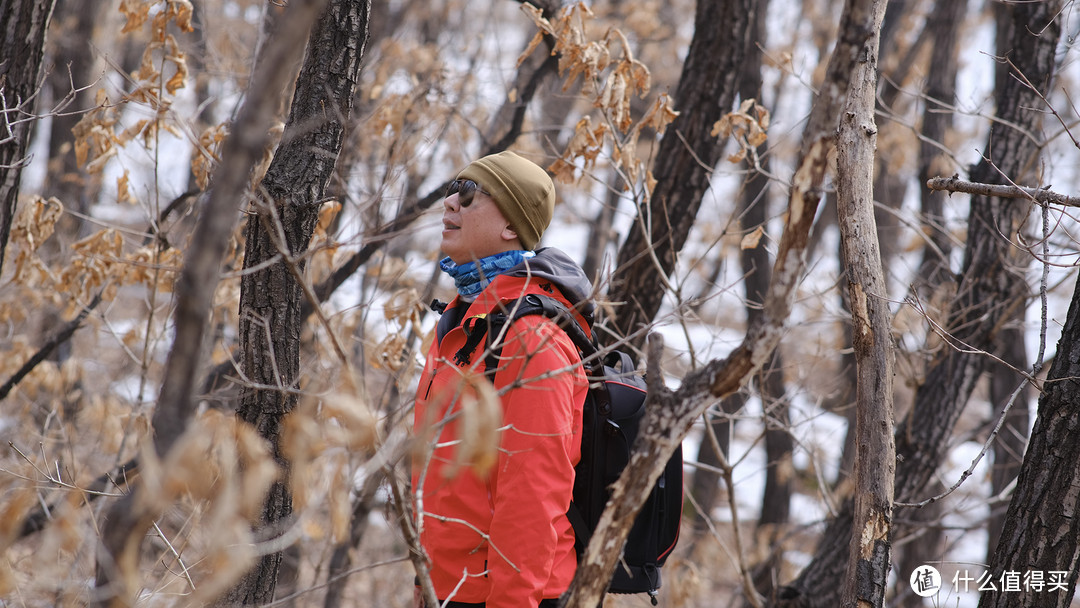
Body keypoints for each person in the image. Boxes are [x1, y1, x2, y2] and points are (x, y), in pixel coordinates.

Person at [412, 150, 594, 607]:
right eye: (453, 189)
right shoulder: (462, 320)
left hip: (507, 595)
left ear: (511, 226)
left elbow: (534, 491)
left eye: (470, 194)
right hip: (449, 587)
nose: (451, 202)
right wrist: (423, 581)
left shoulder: (532, 339)